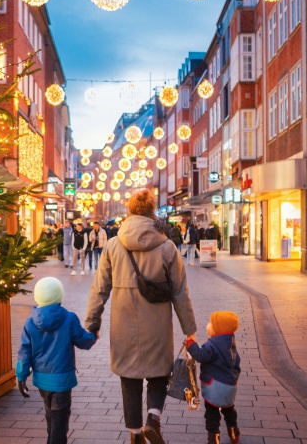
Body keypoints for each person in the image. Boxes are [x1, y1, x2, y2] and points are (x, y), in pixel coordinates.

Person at [85, 190, 197, 444]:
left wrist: (92, 323)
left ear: (130, 211)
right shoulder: (167, 246)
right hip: (156, 323)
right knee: (159, 372)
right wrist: (190, 329)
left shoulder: (113, 244)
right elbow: (180, 292)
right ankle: (153, 418)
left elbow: (99, 288)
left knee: (129, 377)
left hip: (123, 324)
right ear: (151, 211)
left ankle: (135, 435)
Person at [17, 277, 97, 444]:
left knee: (50, 415)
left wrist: (21, 376)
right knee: (60, 420)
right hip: (62, 380)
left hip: (42, 380)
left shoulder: (30, 322)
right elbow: (84, 341)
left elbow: (25, 351)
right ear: (60, 296)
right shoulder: (69, 318)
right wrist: (93, 335)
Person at [185, 311, 242, 444]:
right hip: (229, 387)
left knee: (212, 415)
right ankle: (234, 434)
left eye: (211, 323)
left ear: (218, 329)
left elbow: (200, 355)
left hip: (214, 387)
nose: (208, 325)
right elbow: (237, 364)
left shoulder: (212, 345)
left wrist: (191, 344)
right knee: (229, 412)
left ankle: (214, 440)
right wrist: (233, 379)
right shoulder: (231, 344)